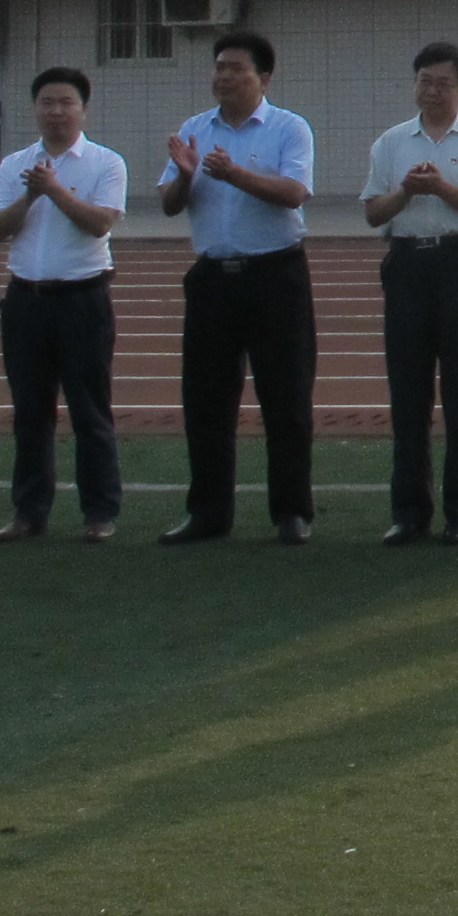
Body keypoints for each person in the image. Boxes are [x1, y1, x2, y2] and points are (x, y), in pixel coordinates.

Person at [155, 30, 320, 546]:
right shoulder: (194, 129)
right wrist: (185, 176)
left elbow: (294, 192)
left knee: (286, 397)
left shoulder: (289, 128)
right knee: (206, 400)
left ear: (263, 78)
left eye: (236, 68)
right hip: (212, 279)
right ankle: (208, 512)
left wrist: (234, 174)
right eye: (219, 67)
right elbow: (169, 204)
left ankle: (291, 511)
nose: (223, 76)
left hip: (275, 276)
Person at [360, 42, 458, 546]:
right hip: (407, 263)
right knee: (408, 392)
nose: (432, 91)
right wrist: (407, 191)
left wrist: (442, 188)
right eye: (424, 81)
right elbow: (374, 212)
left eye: (443, 83)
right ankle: (409, 512)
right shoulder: (392, 141)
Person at [0, 66, 129, 545]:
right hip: (26, 300)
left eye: (66, 103)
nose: (56, 112)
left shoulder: (106, 163)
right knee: (30, 412)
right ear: (35, 109)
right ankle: (29, 512)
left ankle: (99, 512)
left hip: (83, 299)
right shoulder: (15, 165)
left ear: (84, 110)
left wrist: (56, 191)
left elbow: (100, 223)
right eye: (47, 102)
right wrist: (30, 193)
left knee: (90, 411)